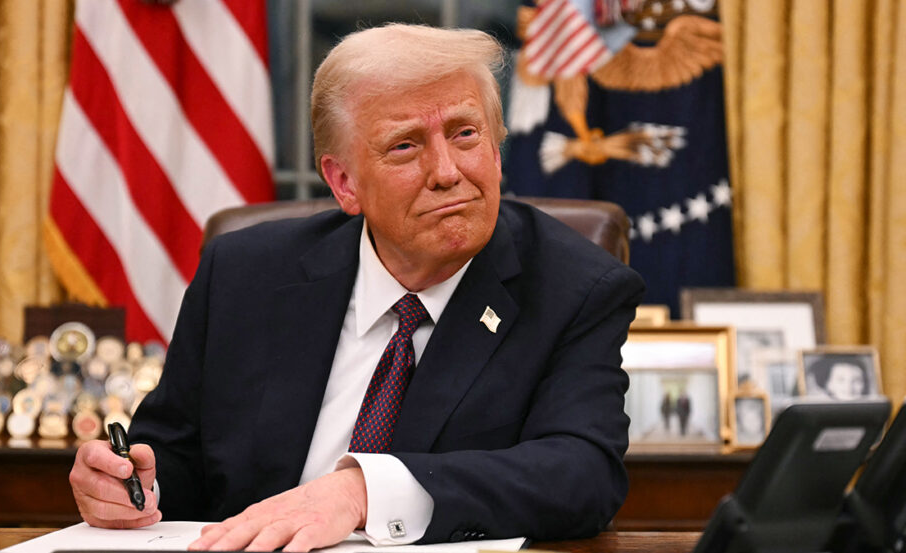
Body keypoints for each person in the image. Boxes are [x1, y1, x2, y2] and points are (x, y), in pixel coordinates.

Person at [68, 23, 644, 552]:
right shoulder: (245, 275)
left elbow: (583, 474)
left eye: (466, 134)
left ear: (496, 150)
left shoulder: (575, 288)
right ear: (344, 183)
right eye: (406, 146)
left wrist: (363, 491)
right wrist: (130, 486)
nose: (447, 171)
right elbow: (172, 456)